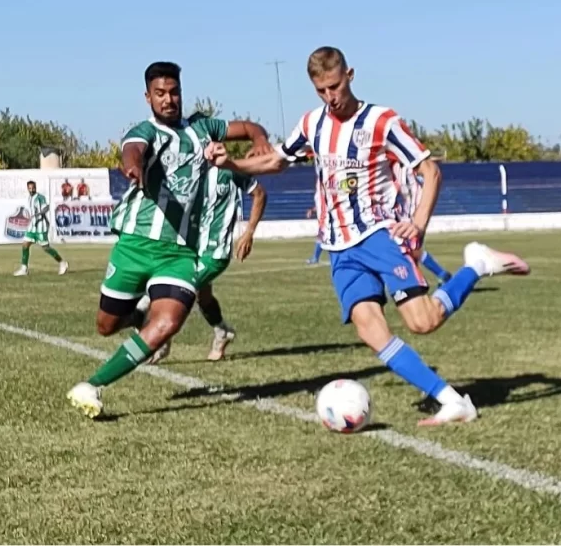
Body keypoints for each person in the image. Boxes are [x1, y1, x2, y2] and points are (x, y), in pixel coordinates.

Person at [204, 46, 530, 427]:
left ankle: (477, 265)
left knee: (423, 322)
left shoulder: (382, 121)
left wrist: (418, 224)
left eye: (335, 86)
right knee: (370, 329)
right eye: (321, 90)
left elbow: (430, 171)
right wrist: (232, 163)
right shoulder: (312, 124)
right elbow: (277, 159)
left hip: (379, 235)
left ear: (350, 75)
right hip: (338, 247)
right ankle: (453, 401)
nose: (330, 96)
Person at [66, 61, 273, 419]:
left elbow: (248, 127)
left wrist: (259, 139)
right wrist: (132, 166)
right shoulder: (145, 131)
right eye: (160, 93)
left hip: (181, 252)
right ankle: (138, 316)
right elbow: (133, 150)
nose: (168, 99)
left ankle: (92, 385)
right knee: (106, 326)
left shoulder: (203, 127)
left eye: (174, 92)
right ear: (147, 97)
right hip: (136, 244)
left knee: (168, 323)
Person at [149, 113, 269, 363]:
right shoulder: (188, 170)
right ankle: (222, 331)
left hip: (216, 251)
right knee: (203, 298)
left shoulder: (229, 169)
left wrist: (249, 233)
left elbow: (259, 194)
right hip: (191, 247)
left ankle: (161, 342)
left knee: (175, 291)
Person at [394, 162, 451, 286]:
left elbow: (429, 170)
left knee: (411, 243)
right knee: (410, 245)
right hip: (405, 198)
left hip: (411, 199)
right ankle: (435, 276)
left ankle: (439, 275)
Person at [13, 180, 69, 277]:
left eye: (33, 188)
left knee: (46, 248)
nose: (31, 190)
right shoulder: (29, 198)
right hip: (32, 226)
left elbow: (46, 208)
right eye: (30, 188)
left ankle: (62, 263)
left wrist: (40, 212)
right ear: (27, 189)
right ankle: (24, 268)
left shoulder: (40, 198)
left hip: (41, 227)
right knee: (25, 244)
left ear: (36, 187)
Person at [305, 200, 324, 265]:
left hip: (327, 222)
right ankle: (315, 258)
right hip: (324, 222)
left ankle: (315, 258)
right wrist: (312, 210)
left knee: (320, 239)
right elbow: (320, 205)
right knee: (320, 239)